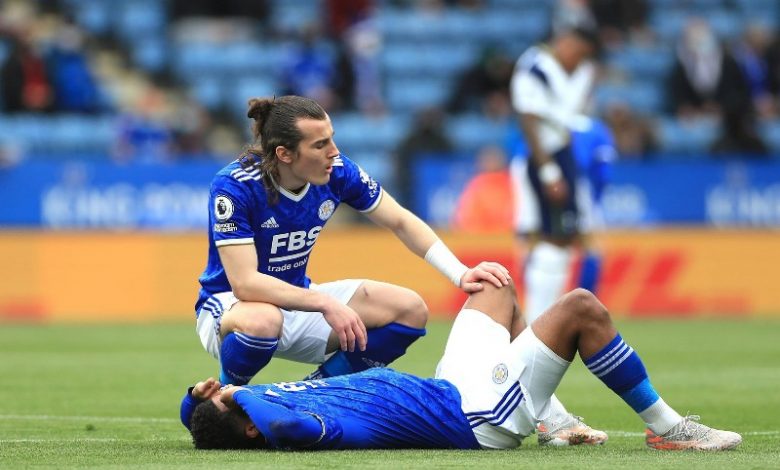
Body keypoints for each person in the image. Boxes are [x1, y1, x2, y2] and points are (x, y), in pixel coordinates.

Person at [180, 279, 742, 452]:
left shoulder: (255, 409)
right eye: (228, 403)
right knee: (581, 308)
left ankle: (553, 420)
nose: (229, 392)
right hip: (476, 417)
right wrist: (239, 394)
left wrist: (197, 398)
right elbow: (287, 427)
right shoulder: (290, 424)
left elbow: (198, 424)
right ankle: (668, 428)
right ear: (248, 424)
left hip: (449, 388)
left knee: (494, 284)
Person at [194, 95, 511, 394]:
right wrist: (324, 303)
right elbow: (246, 283)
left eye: (331, 138)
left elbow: (400, 221)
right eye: (320, 144)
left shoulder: (337, 171)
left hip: (298, 299)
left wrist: (460, 273)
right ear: (285, 154)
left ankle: (311, 395)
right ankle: (222, 395)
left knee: (409, 309)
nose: (334, 151)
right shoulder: (235, 185)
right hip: (231, 307)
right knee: (264, 320)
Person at [509, 21, 602, 435]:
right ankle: (534, 326)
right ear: (565, 41)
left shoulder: (572, 71)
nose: (577, 60)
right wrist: (548, 169)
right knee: (553, 236)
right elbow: (528, 118)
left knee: (565, 238)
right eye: (577, 51)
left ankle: (539, 323)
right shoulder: (536, 66)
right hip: (545, 157)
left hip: (562, 151)